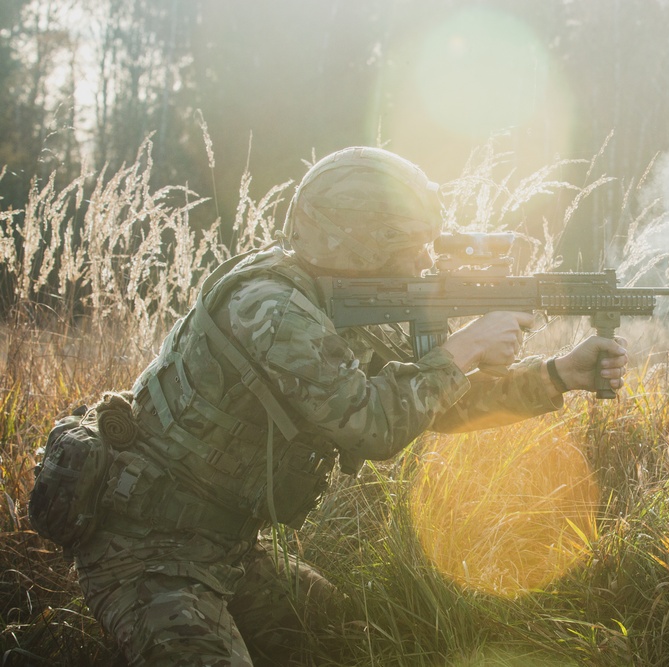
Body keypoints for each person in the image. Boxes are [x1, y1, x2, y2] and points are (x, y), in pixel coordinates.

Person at [72, 146, 629, 665]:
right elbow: (372, 425)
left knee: (353, 643)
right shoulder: (271, 308)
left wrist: (559, 375)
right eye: (407, 247)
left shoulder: (339, 295)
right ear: (361, 243)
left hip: (225, 548)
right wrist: (467, 347)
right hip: (145, 553)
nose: (421, 262)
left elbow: (428, 400)